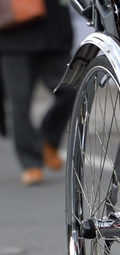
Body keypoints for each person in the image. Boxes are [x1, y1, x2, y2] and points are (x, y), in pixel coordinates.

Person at [0, 0, 75, 186]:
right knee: (19, 103)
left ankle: (49, 139)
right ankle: (31, 162)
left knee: (70, 88)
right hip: (12, 33)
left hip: (54, 31)